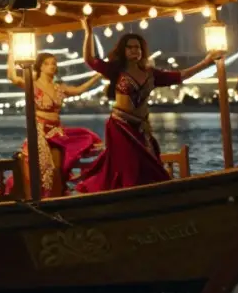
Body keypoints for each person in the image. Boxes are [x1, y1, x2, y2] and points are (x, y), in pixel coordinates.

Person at [75, 17, 219, 193]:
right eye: (130, 47)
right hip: (120, 126)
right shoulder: (116, 70)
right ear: (123, 50)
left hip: (142, 127)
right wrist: (88, 32)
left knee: (149, 164)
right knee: (129, 166)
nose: (135, 50)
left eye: (138, 47)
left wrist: (205, 63)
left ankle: (155, 199)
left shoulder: (151, 74)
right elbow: (89, 59)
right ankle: (128, 200)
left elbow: (180, 76)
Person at [5, 50, 104, 198]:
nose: (51, 66)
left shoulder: (59, 87)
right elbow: (12, 77)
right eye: (47, 63)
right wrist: (12, 51)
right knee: (42, 167)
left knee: (57, 167)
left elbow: (79, 90)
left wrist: (98, 76)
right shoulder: (33, 84)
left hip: (56, 131)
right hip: (39, 131)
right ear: (40, 67)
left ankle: (55, 197)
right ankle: (41, 197)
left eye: (54, 63)